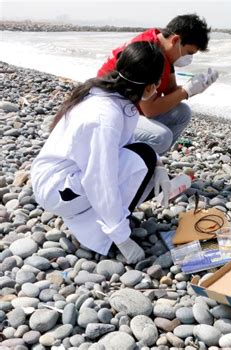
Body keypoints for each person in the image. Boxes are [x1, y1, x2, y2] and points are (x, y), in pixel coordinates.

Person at [31, 41, 171, 264]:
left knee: (149, 164)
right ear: (149, 88)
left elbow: (127, 144)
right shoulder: (105, 116)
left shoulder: (110, 96)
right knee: (144, 158)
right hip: (58, 189)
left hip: (61, 179)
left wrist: (159, 166)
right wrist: (122, 238)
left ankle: (97, 220)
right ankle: (101, 233)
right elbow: (99, 179)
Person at [98, 14, 218, 155]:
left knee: (182, 112)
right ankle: (130, 168)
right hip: (110, 116)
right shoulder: (148, 54)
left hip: (130, 109)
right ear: (176, 40)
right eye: (189, 53)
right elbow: (150, 109)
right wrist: (187, 90)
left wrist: (197, 85)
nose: (188, 58)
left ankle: (149, 162)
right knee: (160, 137)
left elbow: (170, 91)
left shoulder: (164, 48)